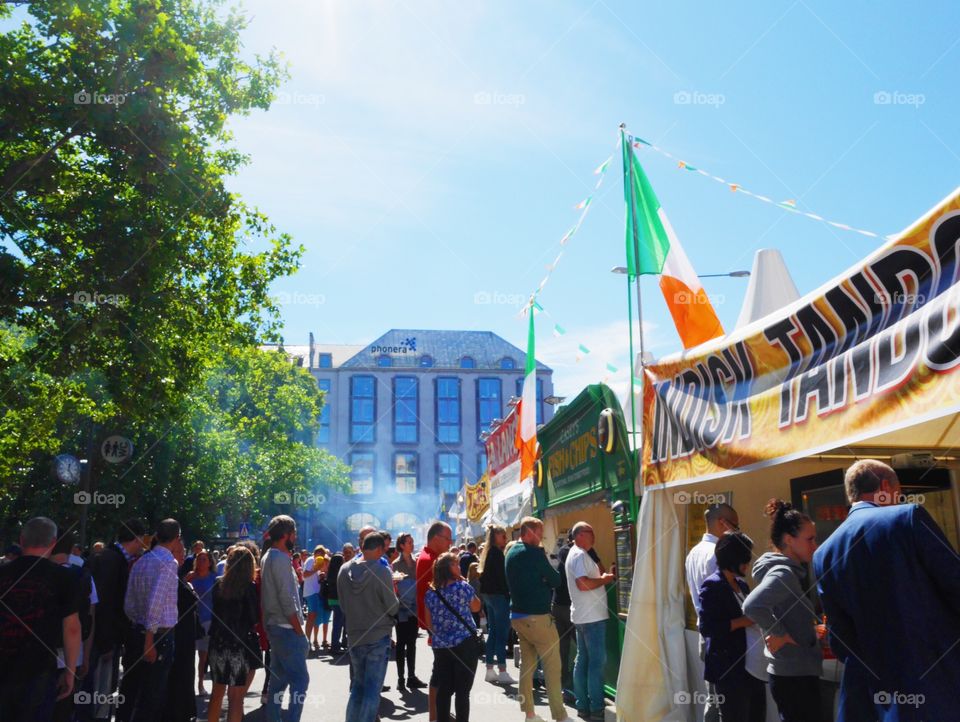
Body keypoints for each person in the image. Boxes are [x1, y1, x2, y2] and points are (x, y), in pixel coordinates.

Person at [813, 459, 960, 721]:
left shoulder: (823, 553)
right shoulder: (908, 516)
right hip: (937, 683)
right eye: (899, 491)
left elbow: (840, 640)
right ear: (884, 486)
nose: (900, 497)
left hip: (874, 695)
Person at [742, 500, 820, 722]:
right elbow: (752, 606)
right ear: (788, 540)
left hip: (791, 672)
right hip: (795, 675)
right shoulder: (784, 573)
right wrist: (779, 633)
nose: (815, 545)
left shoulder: (786, 572)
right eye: (809, 539)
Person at [0, 517, 81, 722]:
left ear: (21, 539)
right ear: (53, 542)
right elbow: (71, 628)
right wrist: (70, 671)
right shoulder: (65, 578)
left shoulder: (3, 572)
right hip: (39, 670)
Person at [505, 516, 574, 722]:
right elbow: (555, 580)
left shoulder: (510, 553)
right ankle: (560, 715)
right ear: (529, 532)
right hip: (538, 617)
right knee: (553, 666)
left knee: (527, 665)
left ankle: (529, 714)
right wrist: (543, 579)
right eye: (540, 532)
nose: (542, 536)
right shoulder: (535, 553)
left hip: (517, 616)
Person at [84, 518, 148, 722]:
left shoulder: (109, 557)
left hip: (99, 637)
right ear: (137, 538)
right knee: (96, 691)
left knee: (97, 692)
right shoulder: (112, 560)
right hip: (100, 640)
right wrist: (105, 643)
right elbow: (102, 604)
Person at [118, 518, 182, 722]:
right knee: (152, 696)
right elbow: (156, 602)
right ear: (177, 538)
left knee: (130, 688)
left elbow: (129, 602)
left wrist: (138, 626)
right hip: (157, 637)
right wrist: (149, 640)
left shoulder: (141, 561)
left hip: (137, 632)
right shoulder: (168, 563)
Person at [698, 532, 766, 722]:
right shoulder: (712, 586)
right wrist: (742, 621)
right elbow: (708, 627)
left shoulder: (742, 586)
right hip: (730, 670)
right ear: (733, 558)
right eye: (745, 559)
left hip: (752, 668)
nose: (748, 563)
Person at [684, 503, 739, 722]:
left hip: (705, 633)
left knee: (714, 698)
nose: (738, 531)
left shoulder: (693, 553)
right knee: (726, 701)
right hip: (723, 635)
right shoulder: (717, 554)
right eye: (736, 525)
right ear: (722, 523)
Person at [337, 532, 399, 722]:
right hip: (378, 636)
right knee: (372, 691)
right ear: (380, 549)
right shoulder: (382, 571)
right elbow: (392, 606)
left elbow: (342, 605)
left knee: (358, 687)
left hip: (355, 634)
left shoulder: (343, 570)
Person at [261, 515, 309, 722]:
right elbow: (286, 599)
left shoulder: (269, 556)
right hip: (287, 629)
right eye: (294, 534)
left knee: (278, 683)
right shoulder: (279, 558)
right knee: (300, 681)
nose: (295, 537)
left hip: (276, 627)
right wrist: (299, 631)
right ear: (286, 535)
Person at [565, 522, 615, 721]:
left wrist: (603, 576)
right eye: (590, 532)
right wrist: (605, 579)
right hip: (591, 617)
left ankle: (583, 706)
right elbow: (583, 584)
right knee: (595, 663)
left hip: (583, 616)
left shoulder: (577, 553)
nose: (594, 536)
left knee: (583, 661)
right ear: (579, 535)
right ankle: (596, 708)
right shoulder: (578, 555)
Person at [424, 551, 482, 722]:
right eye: (456, 564)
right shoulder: (463, 587)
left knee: (444, 690)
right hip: (465, 644)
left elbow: (429, 625)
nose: (459, 566)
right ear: (448, 569)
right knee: (463, 693)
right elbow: (476, 608)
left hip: (441, 647)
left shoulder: (430, 594)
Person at [206, 547, 262, 722]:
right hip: (240, 645)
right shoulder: (249, 587)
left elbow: (215, 612)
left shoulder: (218, 583)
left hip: (218, 643)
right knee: (236, 698)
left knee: (217, 693)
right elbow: (253, 618)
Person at [416, 521, 453, 722]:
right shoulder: (430, 560)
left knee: (441, 672)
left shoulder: (430, 557)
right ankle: (435, 716)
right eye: (448, 538)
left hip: (435, 625)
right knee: (439, 673)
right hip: (437, 626)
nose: (450, 543)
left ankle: (439, 713)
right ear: (436, 538)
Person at [161, 535, 200, 722]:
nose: (184, 556)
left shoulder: (180, 576)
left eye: (184, 552)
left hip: (185, 642)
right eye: (179, 551)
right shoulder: (169, 575)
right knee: (175, 683)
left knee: (183, 680)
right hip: (175, 640)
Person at [478, 524, 514, 684]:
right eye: (503, 536)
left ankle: (490, 669)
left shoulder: (487, 553)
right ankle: (503, 670)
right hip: (498, 596)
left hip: (488, 596)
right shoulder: (498, 554)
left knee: (493, 632)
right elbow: (503, 579)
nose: (506, 539)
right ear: (496, 537)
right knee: (501, 633)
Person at [393, 532, 426, 691]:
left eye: (412, 542)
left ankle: (411, 676)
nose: (412, 544)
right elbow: (394, 588)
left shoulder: (417, 563)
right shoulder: (396, 565)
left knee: (412, 643)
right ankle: (400, 678)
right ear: (401, 545)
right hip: (401, 609)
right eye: (409, 542)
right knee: (401, 644)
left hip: (414, 610)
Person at [185, 549, 216, 695]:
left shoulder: (214, 578)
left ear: (210, 563)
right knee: (197, 655)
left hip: (211, 619)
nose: (201, 562)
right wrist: (186, 580)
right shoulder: (190, 577)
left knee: (209, 654)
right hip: (195, 619)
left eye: (204, 559)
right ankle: (196, 684)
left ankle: (207, 684)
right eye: (199, 559)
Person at [302, 545, 325, 656]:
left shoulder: (318, 562)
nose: (320, 555)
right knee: (311, 617)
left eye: (322, 554)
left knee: (314, 616)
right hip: (311, 592)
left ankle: (310, 640)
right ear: (315, 553)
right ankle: (307, 642)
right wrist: (315, 569)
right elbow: (305, 574)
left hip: (316, 592)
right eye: (318, 553)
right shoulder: (311, 560)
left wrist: (320, 575)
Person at [325, 549, 347, 652]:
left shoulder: (330, 573)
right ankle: (335, 646)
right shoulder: (341, 573)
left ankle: (335, 644)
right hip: (340, 600)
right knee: (339, 624)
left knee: (336, 623)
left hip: (332, 599)